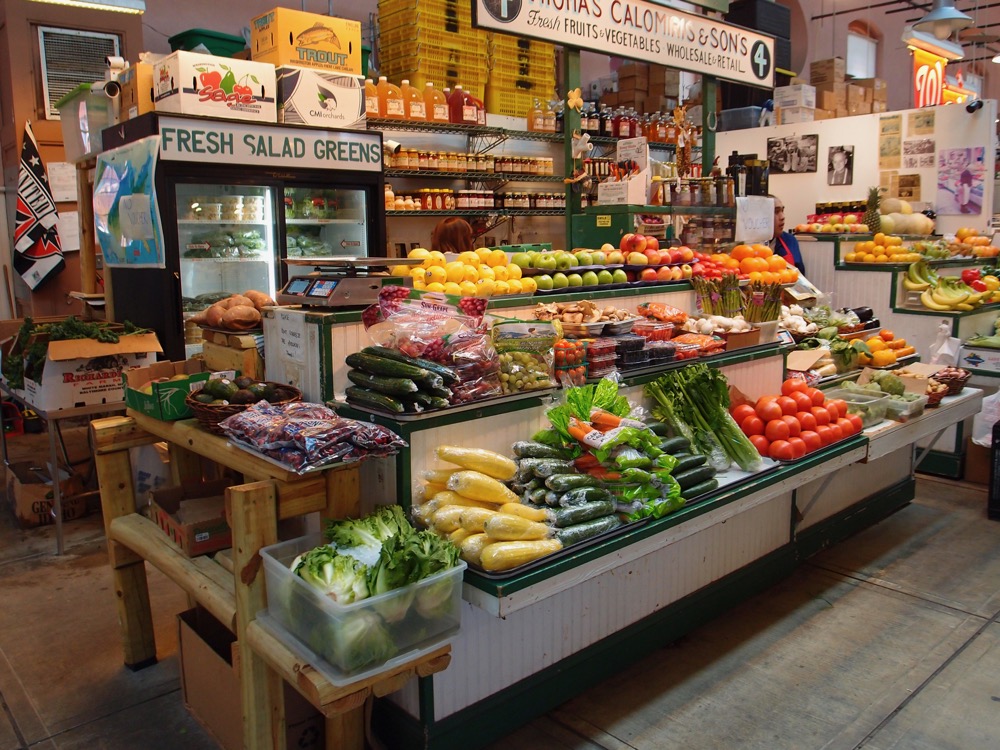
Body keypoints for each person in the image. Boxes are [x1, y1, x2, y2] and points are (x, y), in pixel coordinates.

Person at [769, 195, 806, 276]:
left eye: (782, 211)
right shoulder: (748, 245)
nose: (782, 217)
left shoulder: (790, 240)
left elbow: (801, 277)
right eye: (776, 212)